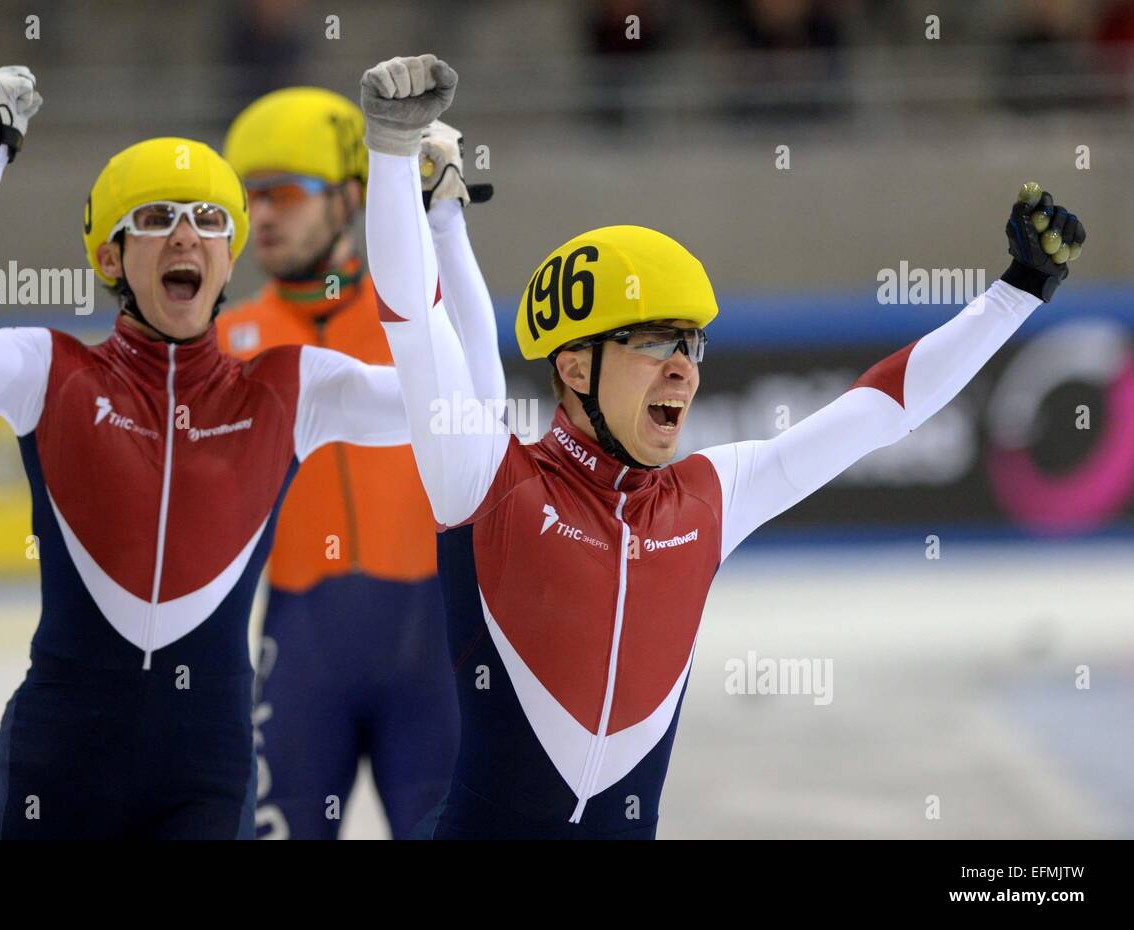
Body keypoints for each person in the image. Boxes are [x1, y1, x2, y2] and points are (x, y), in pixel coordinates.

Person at [359, 54, 1088, 839]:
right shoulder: (488, 481)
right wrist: (390, 152)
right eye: (652, 342)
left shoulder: (710, 495)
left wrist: (1015, 292)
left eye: (692, 345)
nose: (681, 365)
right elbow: (413, 317)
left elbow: (882, 408)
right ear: (573, 366)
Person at [0, 66, 492, 839]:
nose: (185, 235)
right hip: (54, 766)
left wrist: (440, 217)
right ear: (109, 259)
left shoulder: (286, 388)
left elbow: (463, 402)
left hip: (203, 778)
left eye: (209, 219)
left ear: (228, 256)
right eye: (157, 217)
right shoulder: (52, 374)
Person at [216, 88, 500, 838]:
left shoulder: (417, 321)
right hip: (301, 652)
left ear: (349, 198)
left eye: (282, 192)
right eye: (247, 198)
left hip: (433, 652)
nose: (262, 216)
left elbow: (484, 393)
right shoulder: (224, 342)